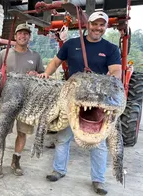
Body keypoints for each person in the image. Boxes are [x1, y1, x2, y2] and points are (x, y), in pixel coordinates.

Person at [38, 11, 121, 195]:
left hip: (96, 101)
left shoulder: (111, 49)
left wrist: (109, 81)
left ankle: (98, 180)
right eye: (95, 24)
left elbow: (116, 71)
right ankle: (59, 170)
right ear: (87, 25)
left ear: (105, 27)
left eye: (102, 25)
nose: (98, 28)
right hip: (73, 100)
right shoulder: (72, 44)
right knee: (63, 136)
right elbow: (55, 62)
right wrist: (46, 74)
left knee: (97, 142)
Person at [0, 23, 45, 183]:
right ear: (15, 36)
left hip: (27, 102)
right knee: (1, 132)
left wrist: (36, 75)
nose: (23, 36)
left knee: (22, 132)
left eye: (26, 34)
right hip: (6, 101)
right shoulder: (4, 54)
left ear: (29, 37)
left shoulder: (36, 56)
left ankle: (16, 160)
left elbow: (42, 76)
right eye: (20, 33)